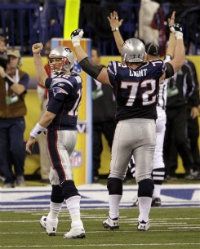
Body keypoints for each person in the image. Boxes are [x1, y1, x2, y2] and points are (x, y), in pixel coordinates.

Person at [70, 11, 185, 231]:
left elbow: (89, 67)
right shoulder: (155, 69)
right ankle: (143, 220)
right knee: (144, 176)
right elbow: (178, 61)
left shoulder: (117, 70)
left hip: (125, 127)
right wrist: (178, 36)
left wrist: (76, 44)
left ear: (126, 56)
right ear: (143, 56)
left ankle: (113, 218)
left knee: (116, 174)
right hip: (148, 127)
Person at [107, 11, 176, 206]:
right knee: (157, 155)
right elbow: (172, 54)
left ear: (145, 54)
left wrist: (115, 29)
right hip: (158, 114)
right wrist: (174, 32)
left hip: (140, 115)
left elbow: (123, 51)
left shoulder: (142, 67)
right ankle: (155, 195)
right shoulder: (160, 67)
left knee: (132, 158)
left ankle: (144, 194)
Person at [26, 44, 85, 239]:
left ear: (67, 61)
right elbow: (44, 80)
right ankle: (51, 220)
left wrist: (33, 134)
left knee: (65, 178)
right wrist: (36, 56)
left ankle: (77, 224)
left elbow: (49, 114)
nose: (52, 63)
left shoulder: (61, 83)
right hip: (70, 134)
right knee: (55, 177)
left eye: (56, 59)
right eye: (50, 60)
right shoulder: (75, 78)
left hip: (58, 133)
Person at [164, 59, 199, 178]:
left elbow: (193, 86)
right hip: (165, 108)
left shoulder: (187, 66)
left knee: (181, 139)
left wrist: (193, 104)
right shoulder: (162, 64)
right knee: (165, 141)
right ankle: (166, 171)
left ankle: (190, 168)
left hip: (181, 108)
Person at [0, 49, 29, 188]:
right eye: (9, 58)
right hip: (1, 118)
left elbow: (19, 90)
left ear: (18, 60)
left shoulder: (23, 75)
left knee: (17, 148)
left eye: (14, 58)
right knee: (2, 150)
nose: (11, 60)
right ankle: (8, 178)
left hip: (17, 118)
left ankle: (19, 174)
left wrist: (5, 76)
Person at [91, 47, 116, 182]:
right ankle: (93, 174)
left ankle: (120, 173)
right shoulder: (85, 77)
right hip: (93, 120)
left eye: (93, 55)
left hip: (110, 118)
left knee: (117, 147)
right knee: (95, 147)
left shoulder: (109, 73)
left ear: (99, 58)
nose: (91, 58)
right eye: (89, 56)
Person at [37, 41, 51, 183]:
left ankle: (46, 174)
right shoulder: (46, 67)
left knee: (46, 140)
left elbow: (40, 93)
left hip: (50, 103)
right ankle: (49, 173)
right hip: (58, 105)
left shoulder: (46, 67)